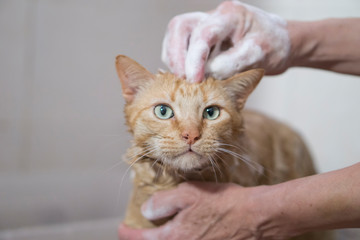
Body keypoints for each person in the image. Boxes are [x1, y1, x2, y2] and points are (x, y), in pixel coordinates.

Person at [118, 1, 360, 239]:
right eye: (164, 111)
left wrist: (262, 212)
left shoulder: (282, 139)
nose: (190, 133)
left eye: (210, 112)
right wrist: (287, 40)